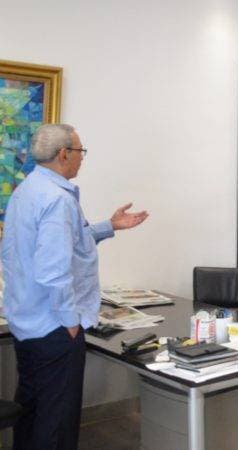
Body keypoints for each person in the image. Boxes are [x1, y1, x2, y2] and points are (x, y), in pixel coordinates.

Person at [2, 124, 148, 449]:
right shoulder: (56, 199)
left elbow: (62, 244)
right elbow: (53, 271)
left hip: (28, 323)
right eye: (81, 151)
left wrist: (109, 226)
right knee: (57, 423)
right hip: (54, 328)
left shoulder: (27, 190)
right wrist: (70, 323)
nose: (83, 158)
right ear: (64, 154)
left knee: (33, 412)